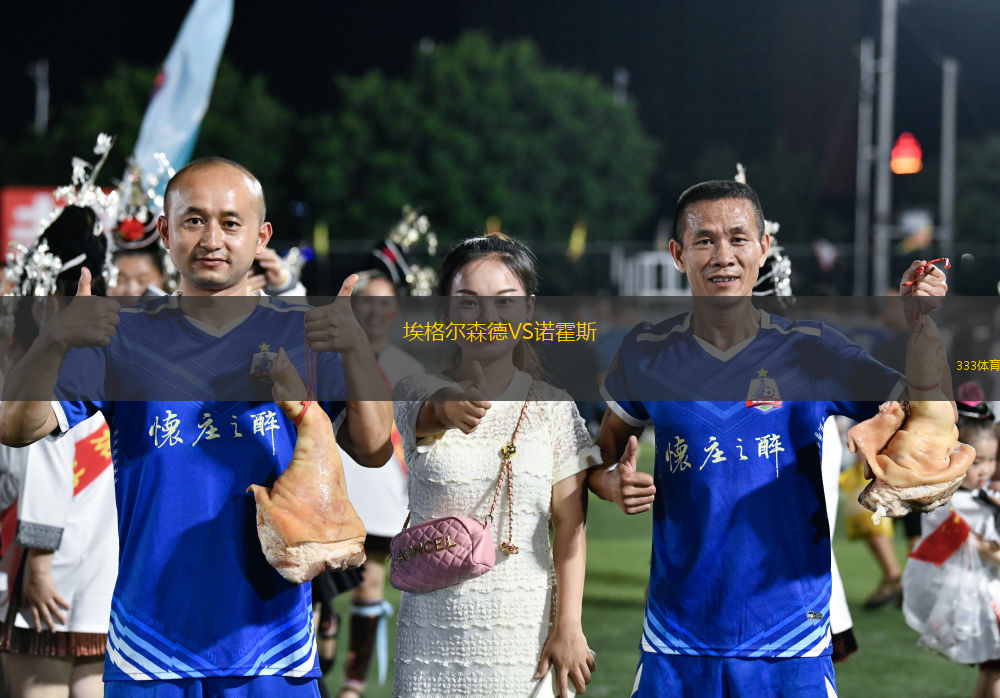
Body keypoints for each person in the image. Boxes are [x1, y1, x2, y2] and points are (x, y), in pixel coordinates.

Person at [0, 157, 393, 698]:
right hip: (148, 646)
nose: (212, 239)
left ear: (261, 236)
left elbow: (373, 448)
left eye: (231, 223)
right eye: (193, 220)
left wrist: (356, 351)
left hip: (272, 646)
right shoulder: (120, 336)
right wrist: (53, 341)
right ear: (166, 232)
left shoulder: (304, 335)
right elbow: (16, 426)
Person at [588, 180, 953, 697]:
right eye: (704, 240)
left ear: (763, 249)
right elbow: (599, 457)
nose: (723, 255)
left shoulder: (812, 351)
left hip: (790, 637)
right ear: (678, 254)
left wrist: (921, 326)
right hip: (677, 636)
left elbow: (924, 406)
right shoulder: (647, 352)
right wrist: (609, 484)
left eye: (738, 238)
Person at [391, 233, 598, 697]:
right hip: (431, 640)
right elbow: (431, 412)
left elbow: (571, 524)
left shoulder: (554, 408)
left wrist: (569, 626)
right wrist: (451, 408)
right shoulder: (414, 390)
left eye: (505, 301)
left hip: (523, 638)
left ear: (528, 309)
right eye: (468, 302)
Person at [0, 205, 118, 698]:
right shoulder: (117, 347)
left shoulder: (59, 360)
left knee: (41, 684)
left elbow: (49, 459)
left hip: (56, 557)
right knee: (92, 680)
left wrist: (39, 563)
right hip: (107, 555)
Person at [329, 272, 423, 698]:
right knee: (317, 587)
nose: (376, 313)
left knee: (368, 585)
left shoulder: (408, 368)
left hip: (385, 492)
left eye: (385, 304)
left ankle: (353, 686)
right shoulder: (332, 360)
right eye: (368, 302)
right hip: (336, 489)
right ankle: (322, 650)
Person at [902, 399, 1000, 697]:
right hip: (981, 599)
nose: (985, 470)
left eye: (991, 461)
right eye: (977, 462)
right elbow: (988, 550)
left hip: (981, 593)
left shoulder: (974, 495)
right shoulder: (955, 503)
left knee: (991, 668)